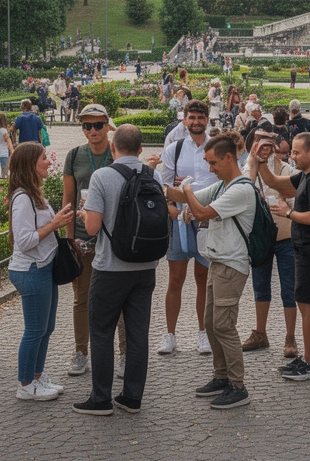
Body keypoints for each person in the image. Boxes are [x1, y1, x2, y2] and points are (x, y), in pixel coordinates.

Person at [72, 125, 162, 416]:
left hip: (111, 267)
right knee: (138, 334)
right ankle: (132, 398)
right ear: (139, 149)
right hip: (146, 266)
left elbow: (92, 228)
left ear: (113, 148)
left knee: (100, 332)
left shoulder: (102, 176)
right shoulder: (154, 175)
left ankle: (101, 399)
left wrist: (85, 212)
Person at [166, 135, 259, 410]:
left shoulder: (241, 190)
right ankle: (221, 377)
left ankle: (238, 386)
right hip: (217, 261)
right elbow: (183, 197)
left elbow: (202, 212)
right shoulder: (223, 185)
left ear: (229, 158)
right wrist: (156, 183)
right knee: (209, 321)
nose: (210, 169)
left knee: (223, 325)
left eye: (213, 163)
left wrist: (187, 190)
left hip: (232, 264)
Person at [255, 132, 310, 382]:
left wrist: (289, 213)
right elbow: (273, 181)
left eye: (296, 152)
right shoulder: (307, 175)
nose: (291, 156)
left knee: (307, 304)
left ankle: (309, 362)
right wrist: (261, 160)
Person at [61, 104, 125, 376]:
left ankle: (124, 353)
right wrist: (68, 240)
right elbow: (68, 199)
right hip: (83, 235)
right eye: (87, 125)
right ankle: (80, 352)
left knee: (120, 299)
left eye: (98, 125)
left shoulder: (117, 153)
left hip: (113, 235)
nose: (93, 130)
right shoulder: (75, 156)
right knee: (82, 298)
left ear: (108, 125)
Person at [8, 142, 75, 400]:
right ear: (30, 165)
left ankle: (36, 377)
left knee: (46, 328)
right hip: (31, 269)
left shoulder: (34, 193)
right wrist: (56, 222)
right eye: (44, 158)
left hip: (44, 267)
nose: (49, 162)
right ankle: (25, 385)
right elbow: (24, 241)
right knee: (35, 330)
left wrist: (60, 218)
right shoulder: (23, 198)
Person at [157, 100, 214, 356]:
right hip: (179, 219)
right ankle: (170, 334)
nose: (196, 122)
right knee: (176, 279)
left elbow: (222, 179)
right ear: (185, 119)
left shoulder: (215, 146)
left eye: (201, 117)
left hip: (207, 220)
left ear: (208, 118)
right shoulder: (175, 149)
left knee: (203, 279)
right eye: (192, 117)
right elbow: (165, 184)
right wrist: (171, 207)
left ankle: (203, 333)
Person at [242, 132, 298, 358]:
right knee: (260, 286)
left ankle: (290, 336)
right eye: (259, 142)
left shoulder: (286, 170)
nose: (264, 148)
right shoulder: (247, 168)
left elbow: (295, 194)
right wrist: (254, 161)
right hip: (262, 238)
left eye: (268, 143)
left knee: (289, 288)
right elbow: (246, 189)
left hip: (286, 238)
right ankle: (260, 333)